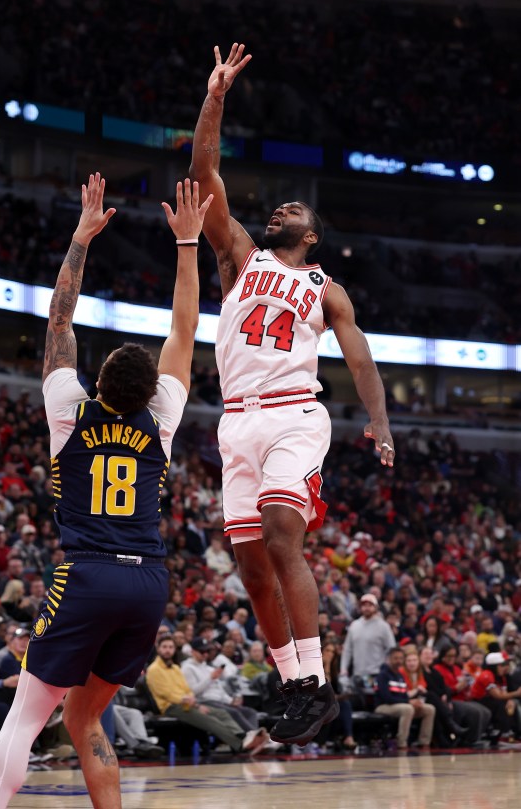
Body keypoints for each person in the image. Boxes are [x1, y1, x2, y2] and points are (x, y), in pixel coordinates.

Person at [0, 172, 212, 809]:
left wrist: (81, 239)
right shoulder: (160, 420)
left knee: (24, 718)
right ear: (147, 392)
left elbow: (59, 318)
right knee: (84, 723)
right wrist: (187, 245)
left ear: (98, 381)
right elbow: (184, 332)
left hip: (87, 574)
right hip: (147, 585)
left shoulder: (66, 409)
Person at [189, 43, 394, 746]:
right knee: (249, 564)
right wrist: (215, 95)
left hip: (293, 418)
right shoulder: (240, 255)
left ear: (310, 235)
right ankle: (297, 683)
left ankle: (317, 678)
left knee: (283, 535)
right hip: (234, 422)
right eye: (279, 205)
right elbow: (203, 172)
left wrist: (379, 421)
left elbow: (361, 358)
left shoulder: (323, 287)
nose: (280, 207)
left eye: (293, 208)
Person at [146, 635, 268, 754]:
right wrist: (191, 702)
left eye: (170, 647)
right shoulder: (154, 669)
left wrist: (193, 702)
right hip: (170, 707)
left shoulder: (175, 668)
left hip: (189, 703)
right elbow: (166, 694)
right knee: (210, 720)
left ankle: (244, 736)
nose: (168, 650)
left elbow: (187, 689)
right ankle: (240, 745)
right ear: (158, 648)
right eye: (165, 647)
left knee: (221, 713)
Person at [374, 647, 435, 750]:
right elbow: (387, 698)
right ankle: (402, 743)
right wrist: (409, 702)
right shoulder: (382, 675)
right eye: (395, 658)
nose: (398, 661)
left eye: (400, 658)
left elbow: (403, 695)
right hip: (383, 706)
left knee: (429, 709)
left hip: (399, 705)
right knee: (408, 709)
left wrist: (414, 701)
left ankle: (424, 742)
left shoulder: (400, 676)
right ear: (388, 659)